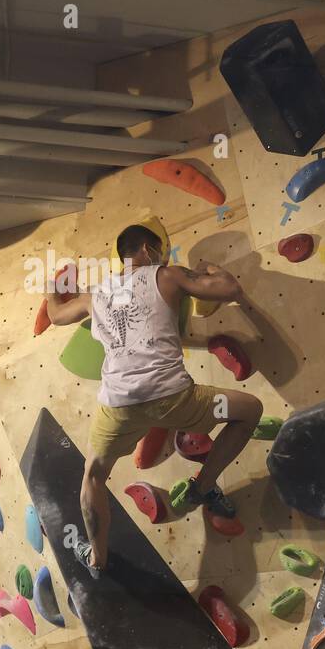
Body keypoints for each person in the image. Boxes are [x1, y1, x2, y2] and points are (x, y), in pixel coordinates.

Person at [46, 224, 262, 575]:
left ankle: (97, 559)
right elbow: (229, 289)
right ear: (148, 250)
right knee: (250, 411)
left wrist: (51, 287)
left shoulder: (95, 294)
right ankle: (203, 488)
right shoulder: (167, 274)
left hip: (119, 406)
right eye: (161, 250)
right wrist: (208, 267)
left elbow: (56, 315)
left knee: (94, 475)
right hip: (172, 397)